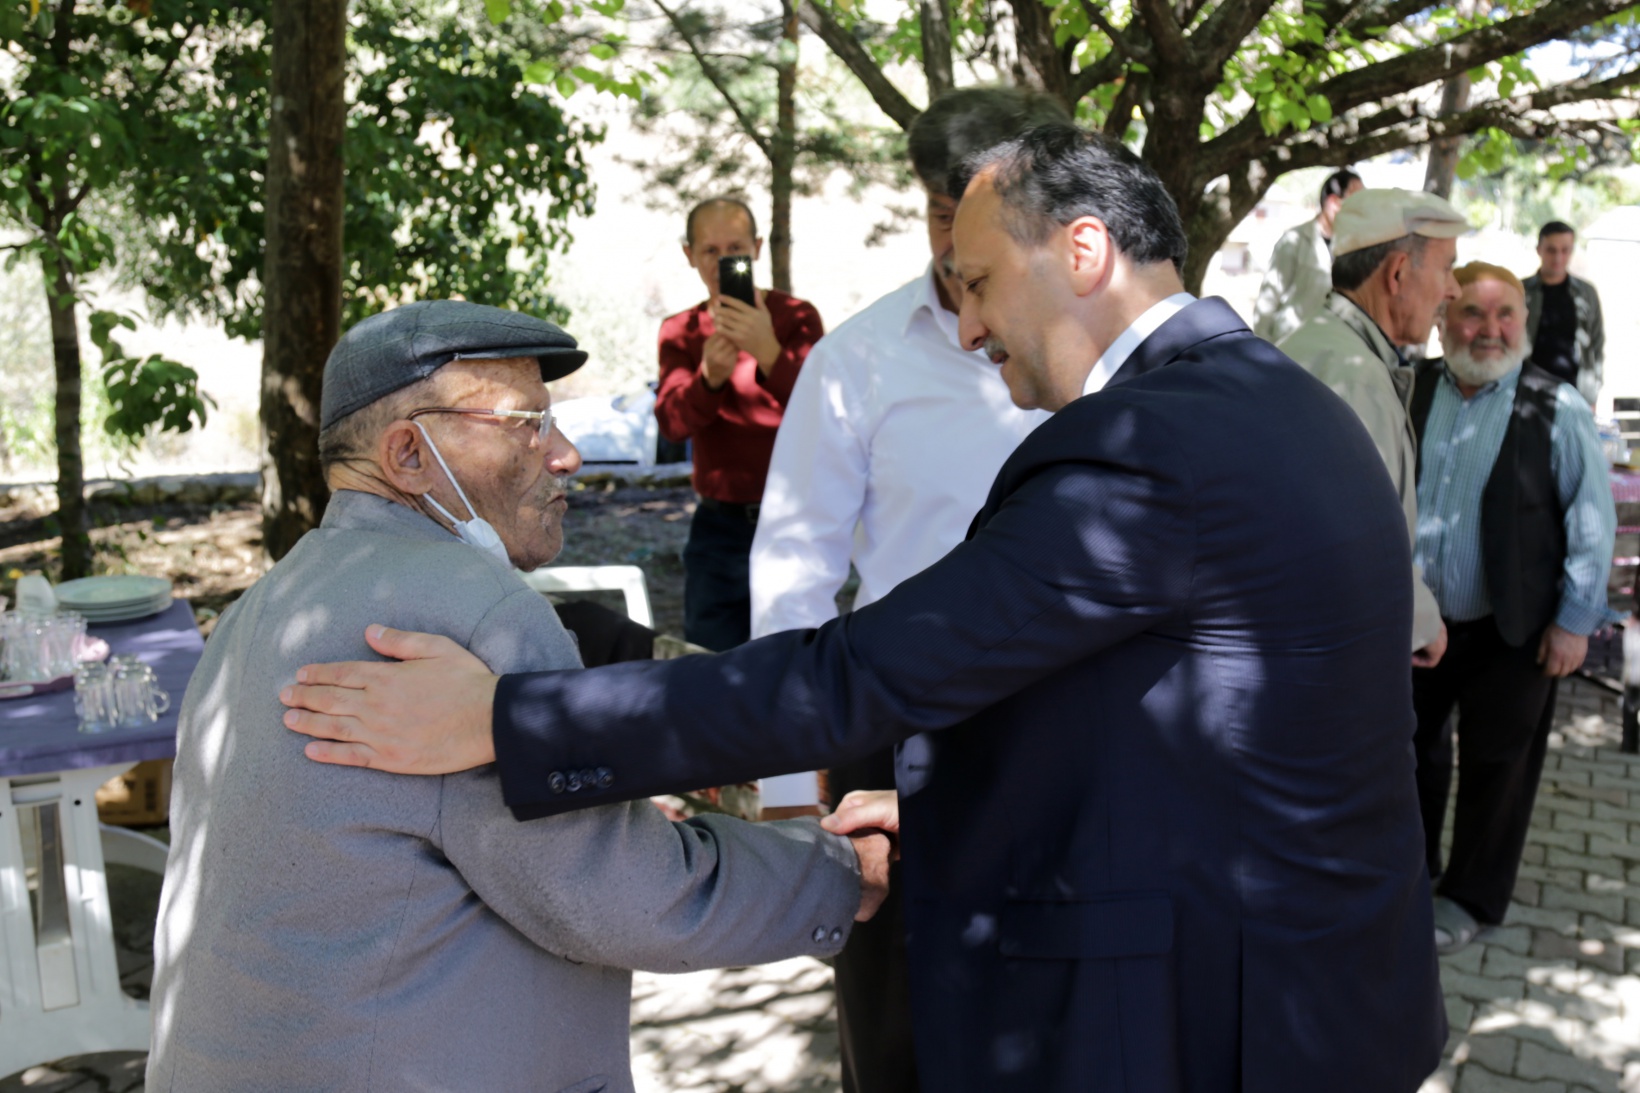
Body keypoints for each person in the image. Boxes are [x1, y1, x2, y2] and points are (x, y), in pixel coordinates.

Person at [280, 127, 1446, 1092]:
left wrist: (505, 721)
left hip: (1224, 1014)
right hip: (1323, 983)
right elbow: (1173, 702)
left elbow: (862, 671)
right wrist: (949, 788)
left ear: (1083, 250)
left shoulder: (1145, 446)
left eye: (977, 283)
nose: (970, 327)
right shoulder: (1274, 398)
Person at [147, 300, 888, 1092]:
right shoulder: (477, 612)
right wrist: (840, 868)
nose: (566, 454)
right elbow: (629, 895)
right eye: (527, 424)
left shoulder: (256, 610)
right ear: (409, 453)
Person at [750, 85, 1061, 1093]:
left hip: (1064, 732)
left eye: (976, 215)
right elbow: (793, 567)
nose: (955, 242)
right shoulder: (859, 359)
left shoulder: (1093, 357)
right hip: (896, 735)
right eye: (937, 213)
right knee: (895, 1031)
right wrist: (789, 788)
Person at [1410, 262, 1616, 954]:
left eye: (1506, 315)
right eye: (1473, 312)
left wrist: (1575, 623)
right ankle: (1412, 871)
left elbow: (1591, 520)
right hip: (1418, 622)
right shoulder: (1411, 387)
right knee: (1409, 750)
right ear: (1444, 319)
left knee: (1499, 766)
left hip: (1514, 628)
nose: (1489, 330)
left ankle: (1471, 897)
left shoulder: (1556, 406)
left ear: (1524, 323)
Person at [1279, 187, 1465, 666]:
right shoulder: (1355, 375)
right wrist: (1421, 623)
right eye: (1447, 269)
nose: (1454, 290)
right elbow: (1360, 544)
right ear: (1398, 272)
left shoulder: (1319, 345)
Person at [656, 196, 825, 651]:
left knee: (794, 655)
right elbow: (672, 425)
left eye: (735, 248)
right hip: (719, 527)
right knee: (710, 659)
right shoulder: (681, 330)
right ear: (689, 254)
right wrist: (708, 379)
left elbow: (826, 412)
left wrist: (767, 350)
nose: (722, 261)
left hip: (793, 517)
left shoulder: (796, 317)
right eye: (710, 250)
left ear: (757, 248)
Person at [1251, 167, 1363, 343]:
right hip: (1288, 346)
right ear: (1334, 202)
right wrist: (1261, 351)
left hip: (1331, 348)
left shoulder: (1354, 248)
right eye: (1357, 201)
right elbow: (1267, 302)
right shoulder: (1294, 240)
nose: (1362, 209)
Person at [1524, 220, 1605, 409]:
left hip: (1575, 392)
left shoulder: (1586, 293)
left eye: (1565, 250)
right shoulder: (1521, 292)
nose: (1558, 257)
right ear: (1539, 249)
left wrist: (1593, 393)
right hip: (1529, 392)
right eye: (1551, 250)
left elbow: (1597, 343)